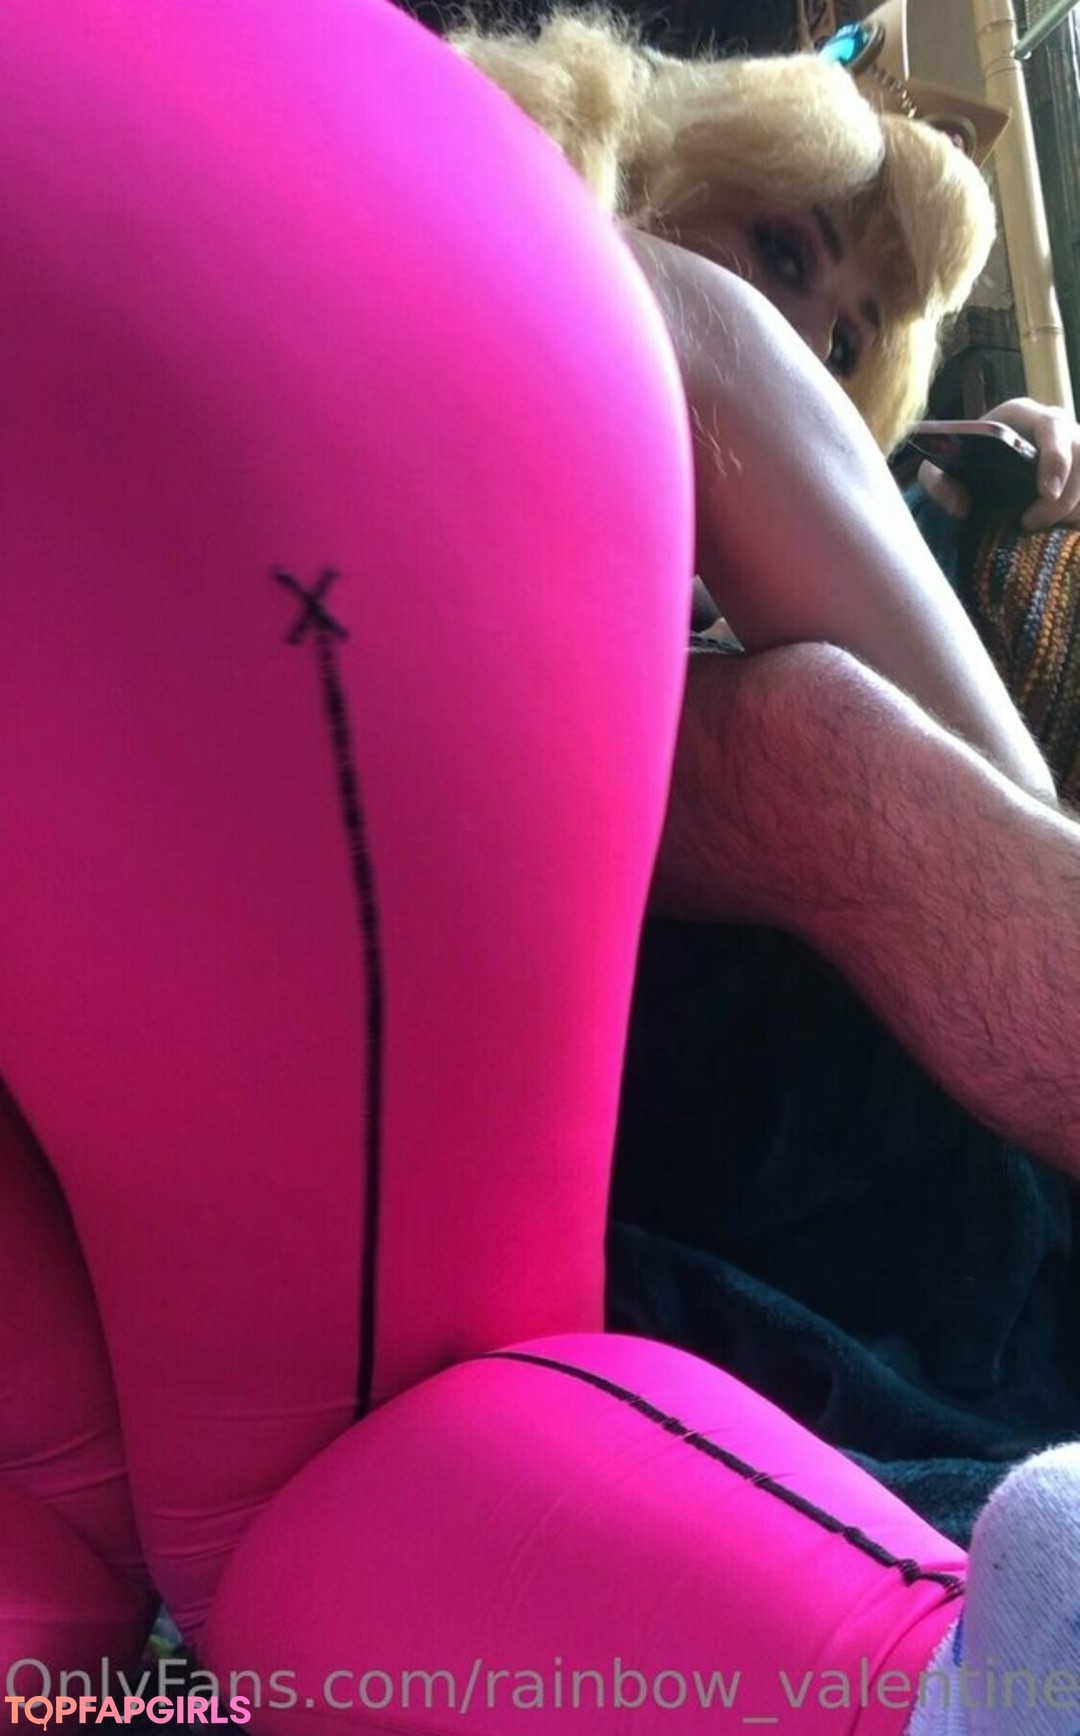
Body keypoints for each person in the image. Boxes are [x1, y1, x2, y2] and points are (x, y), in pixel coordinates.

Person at [6, 5, 1080, 1734]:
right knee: (290, 1514)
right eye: (785, 247)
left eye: (857, 332)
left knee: (93, 1501)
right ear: (659, 153)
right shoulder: (618, 297)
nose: (817, 330)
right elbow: (1001, 811)